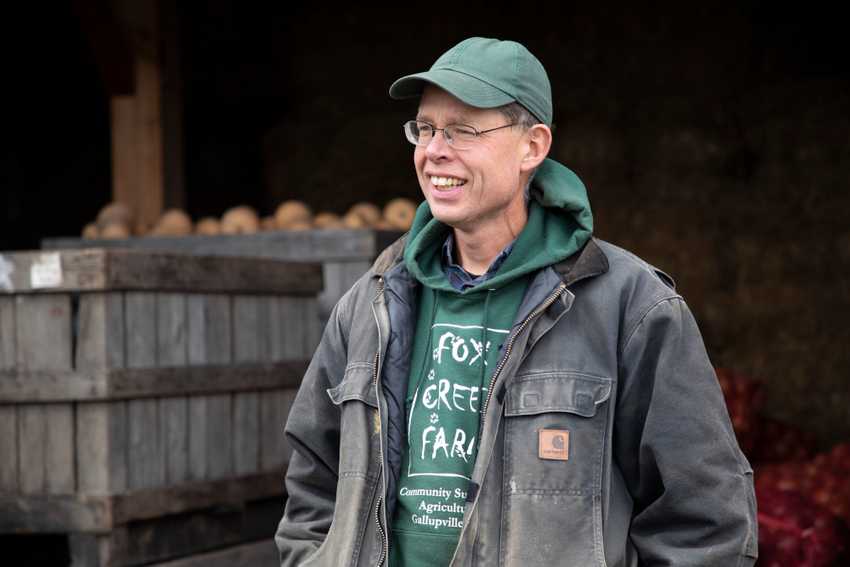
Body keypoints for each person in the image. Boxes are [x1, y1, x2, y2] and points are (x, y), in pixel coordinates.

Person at [275, 37, 758, 566]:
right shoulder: (372, 304)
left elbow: (706, 521)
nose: (434, 150)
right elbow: (313, 485)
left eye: (463, 130)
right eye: (426, 128)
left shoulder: (631, 307)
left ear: (532, 146)